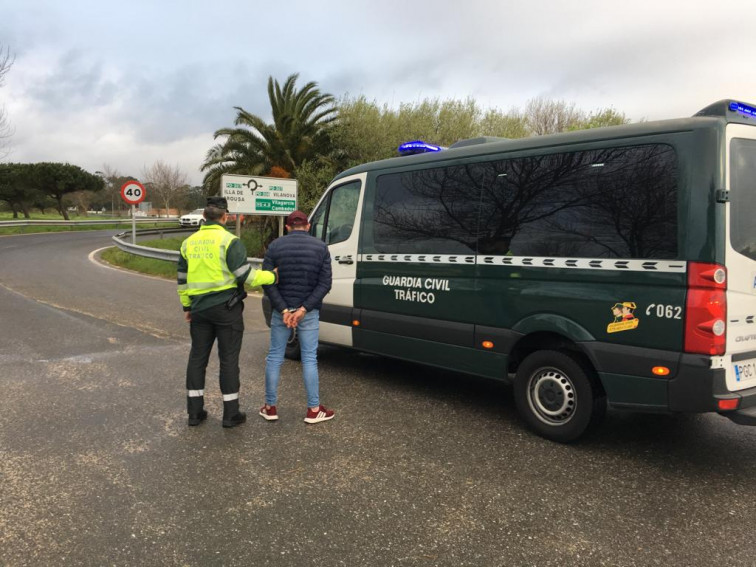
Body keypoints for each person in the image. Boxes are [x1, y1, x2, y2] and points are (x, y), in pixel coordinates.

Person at [177, 196, 276, 428]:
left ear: (203, 216)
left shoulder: (187, 243)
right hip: (226, 310)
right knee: (228, 360)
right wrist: (272, 276)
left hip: (199, 309)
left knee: (197, 358)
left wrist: (187, 306)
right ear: (226, 216)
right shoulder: (230, 241)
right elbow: (247, 276)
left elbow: (182, 279)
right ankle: (230, 414)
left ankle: (194, 413)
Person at [260, 210, 334, 424]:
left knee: (275, 357)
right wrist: (304, 309)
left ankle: (270, 407)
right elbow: (325, 283)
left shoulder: (275, 246)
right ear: (308, 226)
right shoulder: (321, 248)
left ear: (287, 227)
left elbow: (267, 281)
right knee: (309, 358)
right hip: (307, 313)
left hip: (280, 312)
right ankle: (313, 410)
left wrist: (284, 309)